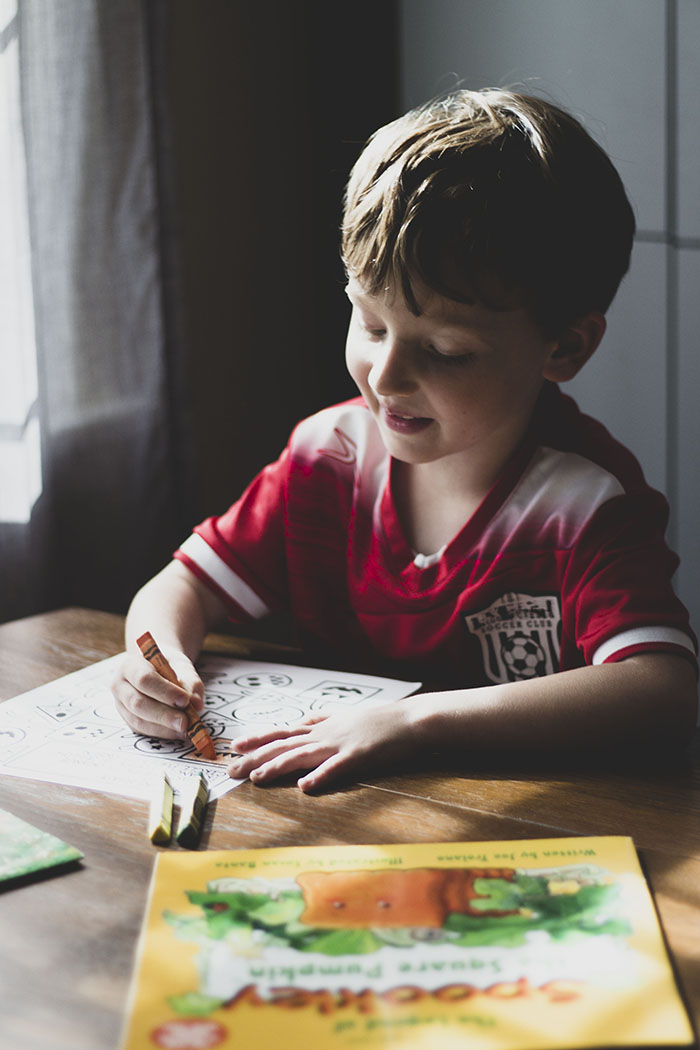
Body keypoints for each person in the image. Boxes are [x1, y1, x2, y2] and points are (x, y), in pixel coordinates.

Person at [112, 89, 698, 791]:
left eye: (446, 352)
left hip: (520, 838)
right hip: (337, 825)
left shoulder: (586, 504)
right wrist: (156, 660)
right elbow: (183, 585)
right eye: (371, 326)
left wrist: (412, 722)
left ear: (564, 347)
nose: (386, 377)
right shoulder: (326, 456)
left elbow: (662, 689)